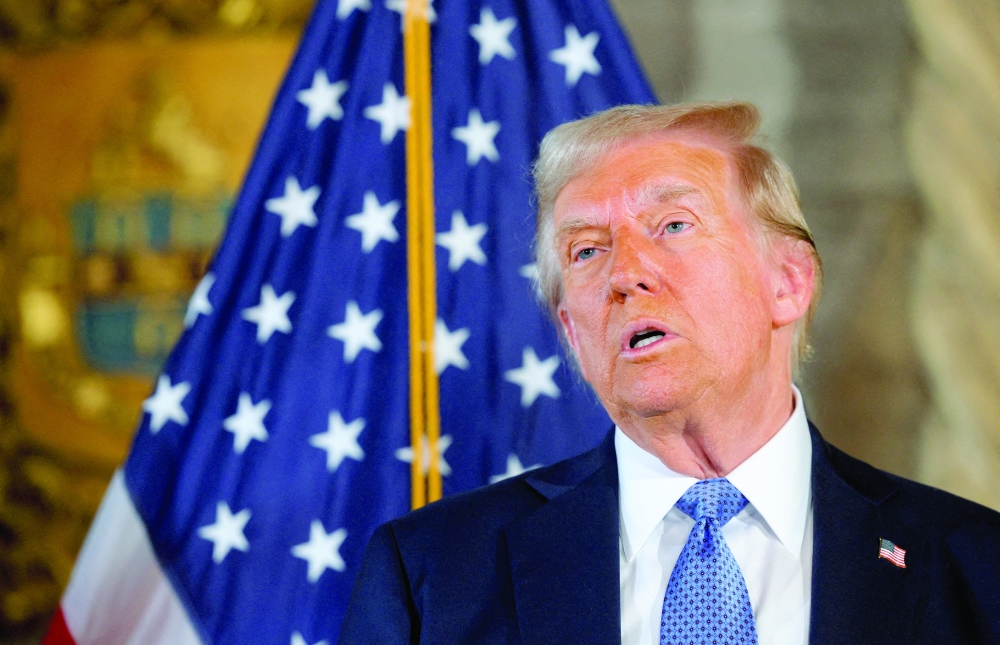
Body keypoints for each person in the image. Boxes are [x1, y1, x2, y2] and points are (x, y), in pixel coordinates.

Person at [338, 102, 1000, 645]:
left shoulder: (976, 566)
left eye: (673, 224)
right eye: (588, 250)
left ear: (788, 283)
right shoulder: (430, 576)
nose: (626, 273)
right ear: (572, 331)